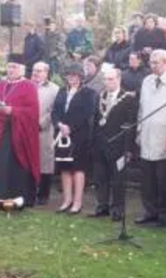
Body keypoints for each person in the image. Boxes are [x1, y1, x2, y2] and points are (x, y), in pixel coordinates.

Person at [0, 54, 40, 207]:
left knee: (7, 165)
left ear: (22, 69)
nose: (10, 70)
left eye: (14, 67)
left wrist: (12, 111)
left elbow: (32, 112)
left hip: (15, 133)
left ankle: (9, 198)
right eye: (9, 66)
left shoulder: (29, 86)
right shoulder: (2, 85)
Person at [135, 49, 166, 227]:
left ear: (165, 62)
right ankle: (149, 211)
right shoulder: (146, 81)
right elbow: (142, 108)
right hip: (147, 135)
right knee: (147, 179)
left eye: (155, 62)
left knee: (164, 180)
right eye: (151, 62)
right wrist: (139, 130)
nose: (151, 65)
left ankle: (163, 214)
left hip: (165, 137)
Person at [89, 69, 138, 222]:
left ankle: (117, 209)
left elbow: (131, 124)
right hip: (100, 145)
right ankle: (102, 206)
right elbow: (96, 122)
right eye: (105, 79)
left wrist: (129, 149)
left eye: (110, 79)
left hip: (119, 146)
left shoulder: (128, 98)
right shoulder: (100, 96)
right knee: (100, 178)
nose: (107, 82)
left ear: (119, 79)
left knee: (118, 180)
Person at [52, 63, 98, 214]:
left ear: (80, 77)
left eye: (74, 75)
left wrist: (70, 127)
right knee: (65, 168)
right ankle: (67, 200)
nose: (71, 77)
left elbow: (87, 114)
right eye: (69, 75)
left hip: (79, 135)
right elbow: (55, 111)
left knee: (78, 168)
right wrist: (59, 125)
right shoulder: (61, 91)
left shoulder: (88, 93)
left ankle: (77, 203)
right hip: (61, 135)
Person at [32, 62, 59, 205]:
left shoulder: (54, 89)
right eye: (34, 70)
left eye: (39, 71)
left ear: (46, 73)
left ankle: (43, 194)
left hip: (45, 130)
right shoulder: (28, 85)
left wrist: (42, 123)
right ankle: (29, 190)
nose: (36, 73)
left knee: (44, 162)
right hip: (27, 130)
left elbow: (54, 110)